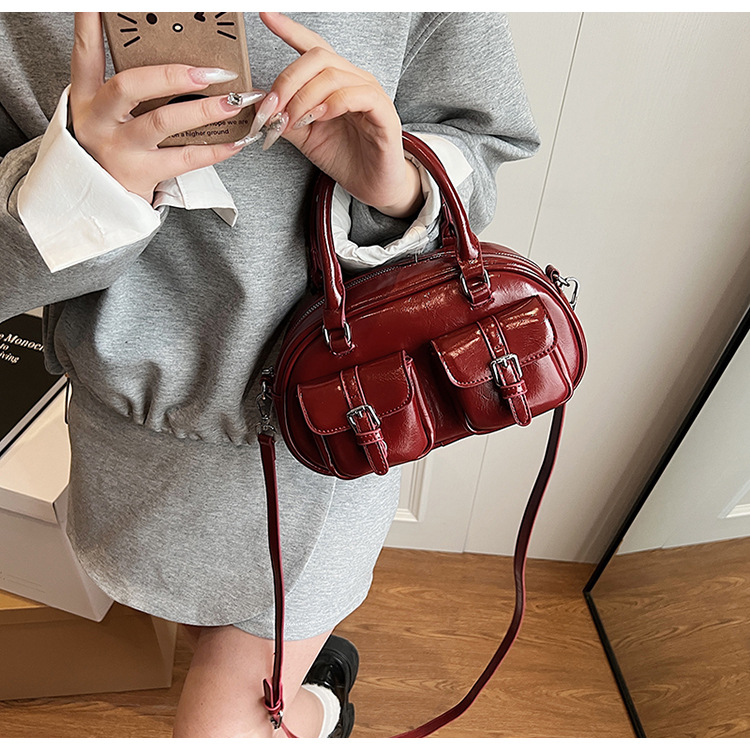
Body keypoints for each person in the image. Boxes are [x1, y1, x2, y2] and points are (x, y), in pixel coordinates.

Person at [0, 12, 539, 737]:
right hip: (129, 445)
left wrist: (396, 182)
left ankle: (319, 707)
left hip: (333, 436)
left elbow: (483, 139)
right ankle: (312, 685)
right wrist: (82, 188)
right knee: (209, 628)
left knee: (227, 724)